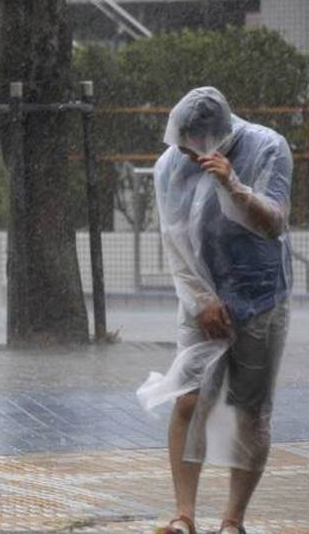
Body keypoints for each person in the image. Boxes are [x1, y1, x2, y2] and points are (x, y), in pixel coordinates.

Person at [137, 87, 292, 534]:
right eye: (178, 143)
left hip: (261, 297)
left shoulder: (266, 147)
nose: (182, 153)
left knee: (249, 410)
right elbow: (173, 238)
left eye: (191, 144)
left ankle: (232, 520)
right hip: (201, 299)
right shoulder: (170, 163)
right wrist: (201, 299)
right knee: (188, 398)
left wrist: (232, 184)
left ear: (215, 137)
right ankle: (184, 515)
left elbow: (274, 223)